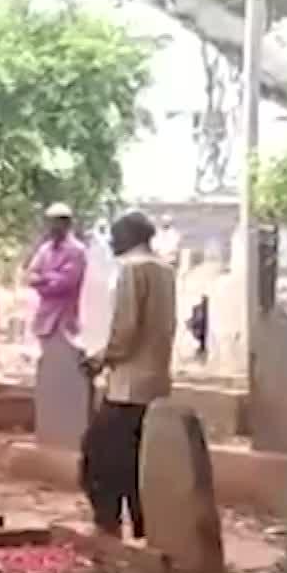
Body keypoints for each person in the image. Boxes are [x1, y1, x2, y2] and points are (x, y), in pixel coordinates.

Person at [80, 212, 177, 542]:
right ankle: (144, 527)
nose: (112, 241)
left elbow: (126, 329)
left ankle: (108, 524)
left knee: (100, 457)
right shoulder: (165, 271)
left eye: (116, 234)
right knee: (139, 460)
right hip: (157, 381)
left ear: (131, 236)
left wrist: (101, 359)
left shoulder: (131, 270)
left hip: (128, 385)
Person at [26, 202, 87, 342]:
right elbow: (30, 276)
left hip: (65, 321)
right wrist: (47, 279)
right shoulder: (44, 249)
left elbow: (64, 284)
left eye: (57, 222)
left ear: (67, 224)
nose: (53, 227)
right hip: (43, 320)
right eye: (50, 222)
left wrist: (42, 279)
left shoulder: (77, 251)